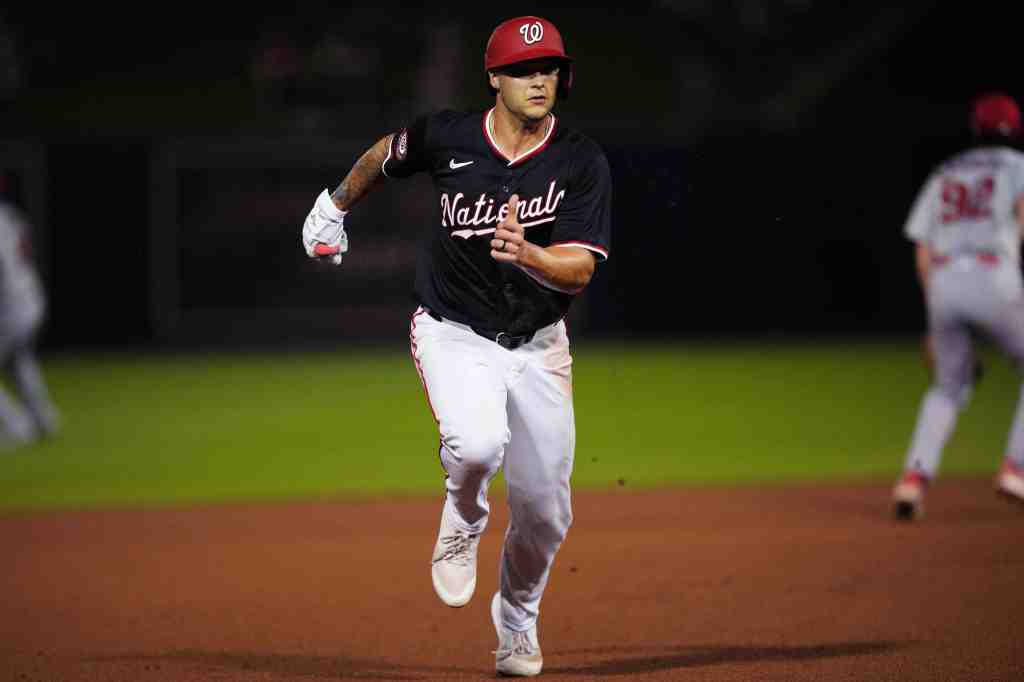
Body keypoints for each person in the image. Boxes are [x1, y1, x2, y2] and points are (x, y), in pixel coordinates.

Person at [300, 16, 611, 676]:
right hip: (453, 331)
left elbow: (581, 269)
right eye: (524, 69)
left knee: (546, 513)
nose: (538, 79)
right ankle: (464, 515)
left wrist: (531, 255)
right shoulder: (448, 136)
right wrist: (333, 207)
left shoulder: (580, 160)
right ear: (494, 78)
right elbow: (385, 155)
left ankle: (517, 622)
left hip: (538, 346)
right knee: (476, 446)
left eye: (549, 68)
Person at [893, 91, 1024, 520]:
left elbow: (922, 249)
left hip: (944, 282)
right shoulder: (1017, 166)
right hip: (993, 274)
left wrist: (935, 320)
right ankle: (1016, 467)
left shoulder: (944, 172)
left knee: (947, 388)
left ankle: (913, 481)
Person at [0, 193, 59, 448]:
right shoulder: (8, 213)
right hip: (31, 296)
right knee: (18, 361)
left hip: (9, 305)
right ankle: (44, 420)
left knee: (17, 359)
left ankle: (17, 427)